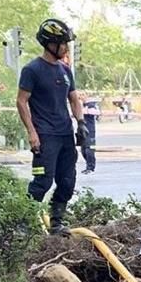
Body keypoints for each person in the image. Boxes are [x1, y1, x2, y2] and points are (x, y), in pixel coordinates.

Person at [18, 17, 83, 232]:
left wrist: (81, 124)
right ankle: (23, 224)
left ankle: (57, 222)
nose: (66, 48)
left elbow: (73, 99)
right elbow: (21, 101)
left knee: (67, 181)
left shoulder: (65, 71)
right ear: (50, 44)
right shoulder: (32, 70)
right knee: (42, 183)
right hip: (45, 136)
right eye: (63, 43)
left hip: (65, 134)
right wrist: (32, 133)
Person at [81, 94, 100, 174]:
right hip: (82, 131)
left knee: (89, 150)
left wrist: (85, 110)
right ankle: (88, 166)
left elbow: (96, 112)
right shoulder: (81, 105)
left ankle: (91, 168)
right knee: (83, 150)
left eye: (82, 96)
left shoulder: (91, 105)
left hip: (90, 131)